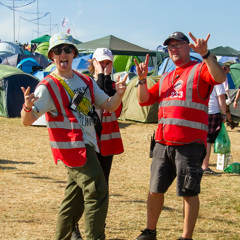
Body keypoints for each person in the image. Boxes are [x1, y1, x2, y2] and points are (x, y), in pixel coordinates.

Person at [20, 32, 127, 240]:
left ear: (73, 53)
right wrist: (27, 105)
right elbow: (26, 120)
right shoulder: (48, 87)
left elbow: (109, 106)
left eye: (67, 49)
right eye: (58, 51)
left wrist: (120, 94)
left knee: (73, 203)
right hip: (73, 149)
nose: (63, 53)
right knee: (97, 191)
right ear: (52, 56)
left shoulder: (85, 81)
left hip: (87, 147)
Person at [134, 31, 226, 240]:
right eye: (170, 46)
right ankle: (150, 231)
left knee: (188, 192)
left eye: (178, 45)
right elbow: (143, 100)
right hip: (163, 143)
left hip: (190, 145)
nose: (174, 49)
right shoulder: (167, 76)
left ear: (188, 47)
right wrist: (141, 80)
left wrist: (206, 54)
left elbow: (219, 77)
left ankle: (186, 237)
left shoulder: (200, 69)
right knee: (155, 190)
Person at [72, 48, 124, 239]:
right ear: (92, 61)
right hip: (87, 140)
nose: (104, 65)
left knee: (102, 186)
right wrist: (101, 76)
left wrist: (109, 81)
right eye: (100, 62)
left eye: (107, 62)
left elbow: (116, 110)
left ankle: (97, 227)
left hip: (106, 142)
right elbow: (95, 98)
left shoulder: (115, 85)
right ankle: (74, 227)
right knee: (81, 186)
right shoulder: (84, 82)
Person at [202, 83, 227, 174]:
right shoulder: (217, 81)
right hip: (212, 112)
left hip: (200, 110)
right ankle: (205, 167)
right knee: (208, 140)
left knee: (199, 139)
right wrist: (224, 114)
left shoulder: (201, 77)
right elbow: (221, 97)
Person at [221, 63, 239, 129]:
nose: (230, 70)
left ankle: (231, 123)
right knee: (226, 110)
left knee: (226, 110)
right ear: (226, 69)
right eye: (229, 69)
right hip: (223, 95)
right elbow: (226, 87)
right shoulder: (224, 76)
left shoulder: (221, 75)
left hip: (221, 94)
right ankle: (231, 123)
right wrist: (228, 96)